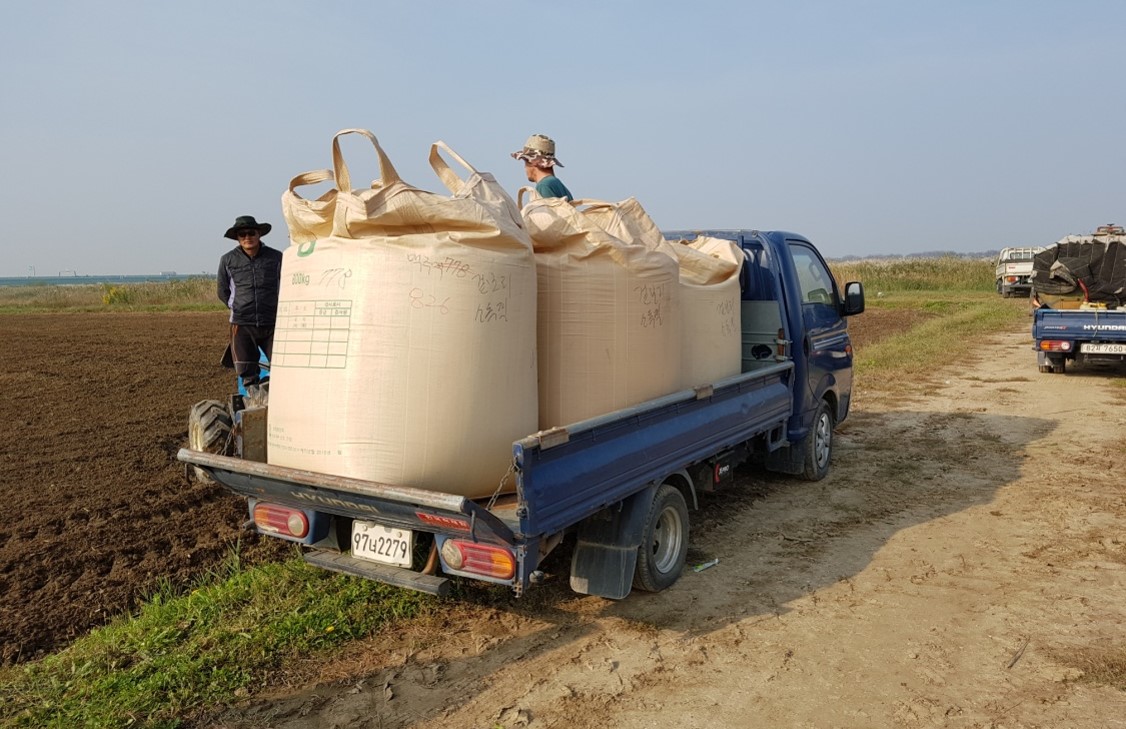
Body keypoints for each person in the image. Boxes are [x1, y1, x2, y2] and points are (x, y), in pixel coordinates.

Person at [217, 215, 283, 391]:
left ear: (259, 234)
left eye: (251, 233)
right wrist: (238, 307)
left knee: (282, 365)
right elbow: (223, 291)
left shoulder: (277, 258)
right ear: (237, 238)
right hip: (242, 324)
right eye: (242, 234)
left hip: (273, 321)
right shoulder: (228, 260)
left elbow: (285, 284)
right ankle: (252, 401)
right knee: (246, 371)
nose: (247, 237)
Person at [511, 134, 573, 201]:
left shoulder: (544, 186)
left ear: (534, 161)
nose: (525, 167)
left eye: (526, 162)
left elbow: (547, 211)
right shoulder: (557, 184)